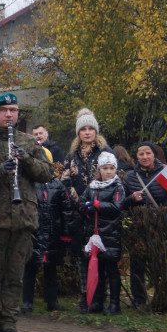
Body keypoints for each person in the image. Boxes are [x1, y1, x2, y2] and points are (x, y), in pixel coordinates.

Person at [0, 92, 54, 332]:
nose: (9, 114)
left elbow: (47, 174)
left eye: (13, 110)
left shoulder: (29, 142)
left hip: (22, 219)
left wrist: (25, 159)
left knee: (14, 277)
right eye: (4, 110)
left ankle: (9, 327)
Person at [62, 108, 114, 310]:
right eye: (83, 128)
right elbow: (65, 180)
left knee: (102, 255)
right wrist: (78, 202)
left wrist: (93, 201)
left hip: (101, 211)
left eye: (90, 128)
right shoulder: (72, 155)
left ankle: (101, 297)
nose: (87, 132)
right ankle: (86, 295)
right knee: (82, 256)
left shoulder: (105, 153)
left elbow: (111, 179)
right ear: (78, 132)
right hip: (79, 213)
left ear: (96, 131)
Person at [123, 141, 167, 306]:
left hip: (160, 228)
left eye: (148, 153)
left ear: (154, 155)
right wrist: (131, 199)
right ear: (136, 157)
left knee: (161, 265)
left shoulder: (164, 174)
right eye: (141, 154)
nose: (145, 157)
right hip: (138, 228)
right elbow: (121, 203)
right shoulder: (130, 177)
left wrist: (166, 220)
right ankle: (139, 300)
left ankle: (162, 300)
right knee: (137, 266)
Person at [77, 151, 126, 314]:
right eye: (105, 168)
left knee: (111, 270)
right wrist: (85, 209)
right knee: (96, 269)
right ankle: (96, 302)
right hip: (93, 234)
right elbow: (82, 201)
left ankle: (114, 304)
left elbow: (116, 207)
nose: (108, 171)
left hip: (110, 234)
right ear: (99, 169)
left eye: (111, 168)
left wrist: (96, 205)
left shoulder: (118, 186)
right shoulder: (92, 186)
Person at [22, 159, 70, 313]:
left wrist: (65, 234)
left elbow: (66, 211)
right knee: (30, 268)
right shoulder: (29, 183)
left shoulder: (58, 185)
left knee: (51, 269)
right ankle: (27, 302)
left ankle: (52, 301)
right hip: (33, 234)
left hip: (52, 234)